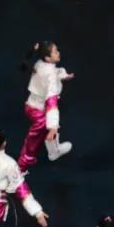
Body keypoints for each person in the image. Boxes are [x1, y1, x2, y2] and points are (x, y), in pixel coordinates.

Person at [17, 40, 73, 173]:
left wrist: (62, 75)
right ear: (48, 58)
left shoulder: (39, 63)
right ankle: (20, 168)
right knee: (33, 140)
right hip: (38, 112)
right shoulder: (50, 74)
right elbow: (51, 101)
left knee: (48, 129)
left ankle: (54, 151)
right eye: (55, 51)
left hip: (32, 105)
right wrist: (53, 127)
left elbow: (50, 73)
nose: (58, 53)